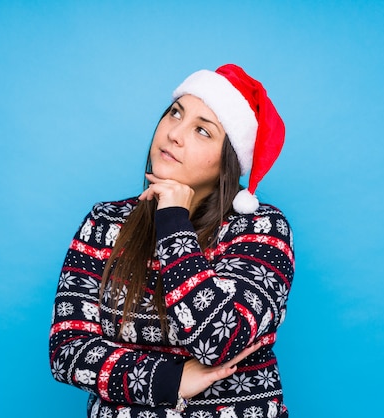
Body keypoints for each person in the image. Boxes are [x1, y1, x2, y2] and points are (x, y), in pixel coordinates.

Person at [49, 64, 294, 418]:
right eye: (175, 114)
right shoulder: (105, 223)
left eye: (202, 131)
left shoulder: (262, 230)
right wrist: (172, 380)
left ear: (229, 160)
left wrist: (174, 221)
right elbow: (68, 351)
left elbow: (221, 341)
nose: (175, 134)